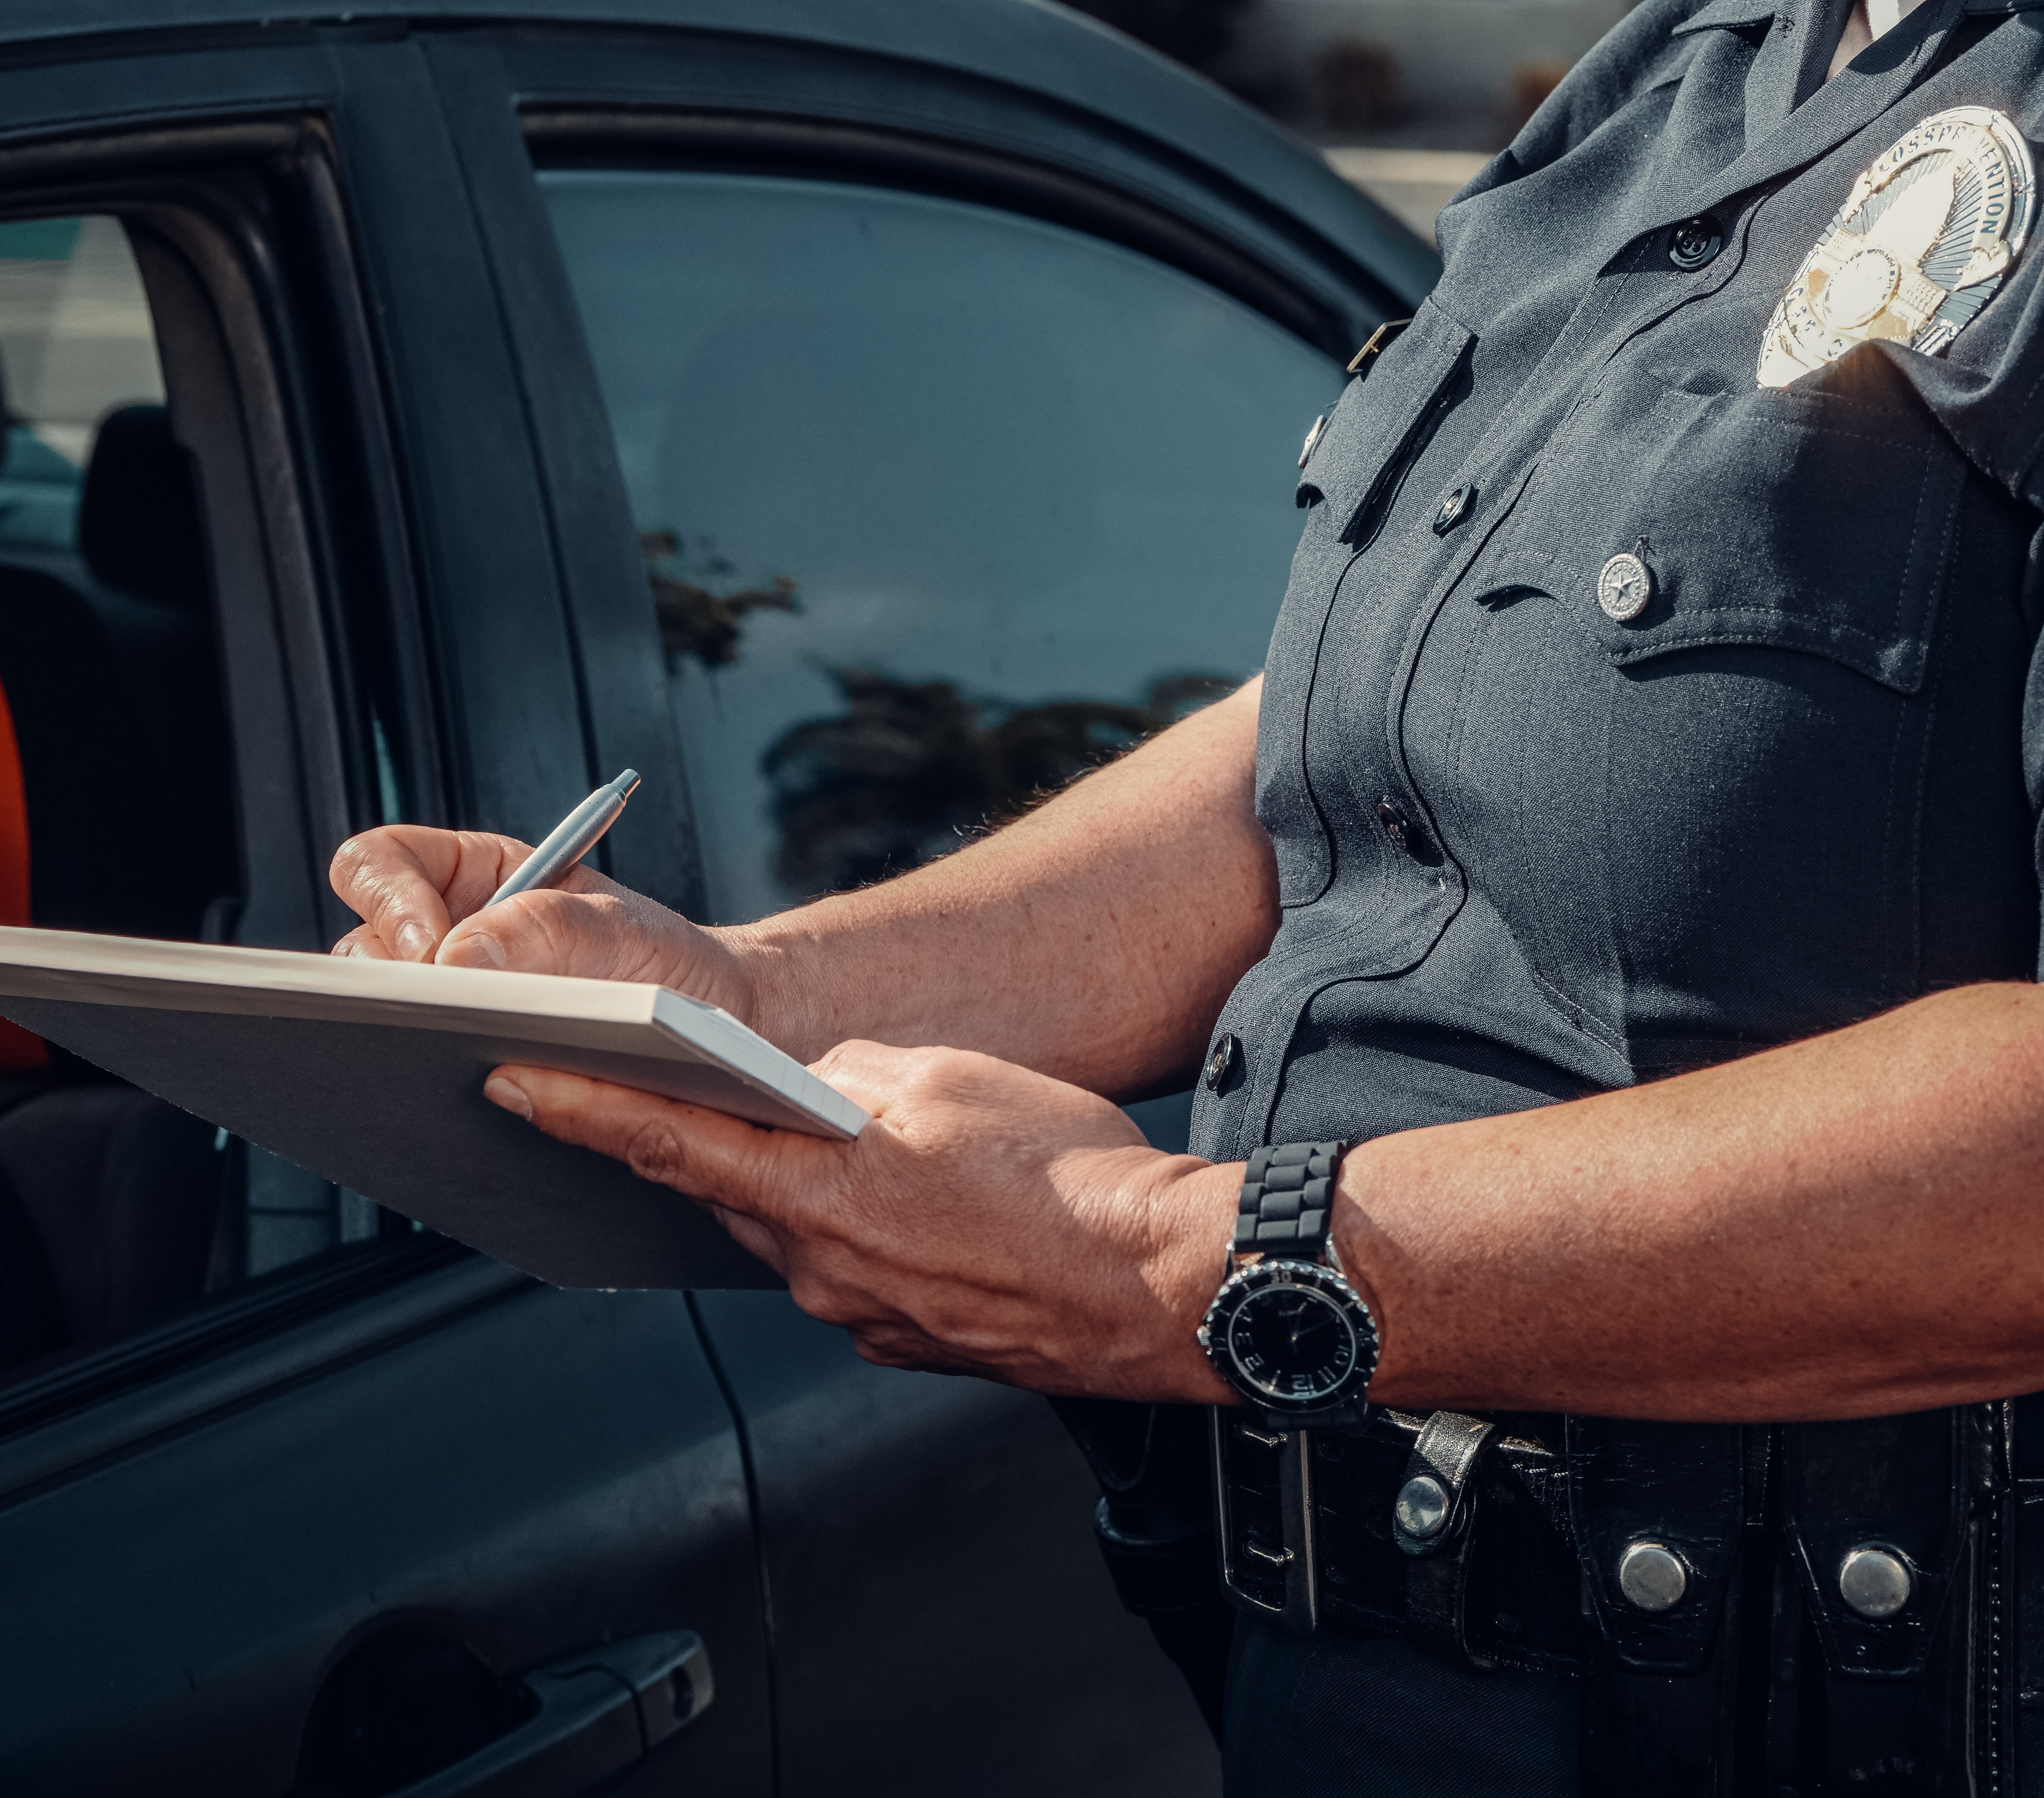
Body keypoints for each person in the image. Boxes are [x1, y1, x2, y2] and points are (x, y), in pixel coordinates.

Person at [331, 0, 2044, 1788]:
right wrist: (743, 993)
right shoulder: (1679, 80)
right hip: (1355, 1672)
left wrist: (1167, 1261)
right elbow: (1334, 741)